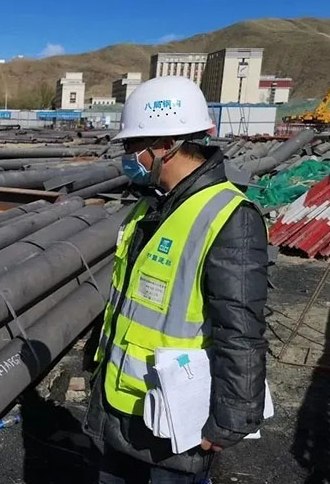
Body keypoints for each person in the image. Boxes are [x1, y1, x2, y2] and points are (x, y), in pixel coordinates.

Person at [83, 76, 269, 483]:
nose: (130, 158)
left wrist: (231, 417)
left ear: (166, 145)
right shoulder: (150, 208)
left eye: (134, 147)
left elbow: (239, 328)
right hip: (124, 404)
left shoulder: (229, 218)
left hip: (175, 420)